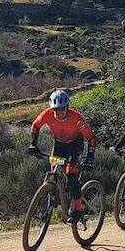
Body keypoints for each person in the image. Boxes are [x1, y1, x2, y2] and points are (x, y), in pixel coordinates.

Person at [28, 90, 98, 221]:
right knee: (53, 173)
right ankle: (48, 203)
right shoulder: (46, 115)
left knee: (71, 173)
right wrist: (33, 144)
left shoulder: (77, 118)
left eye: (62, 109)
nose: (59, 112)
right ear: (52, 108)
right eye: (56, 109)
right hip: (59, 145)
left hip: (75, 145)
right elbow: (35, 126)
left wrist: (90, 156)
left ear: (67, 107)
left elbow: (91, 138)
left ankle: (78, 208)